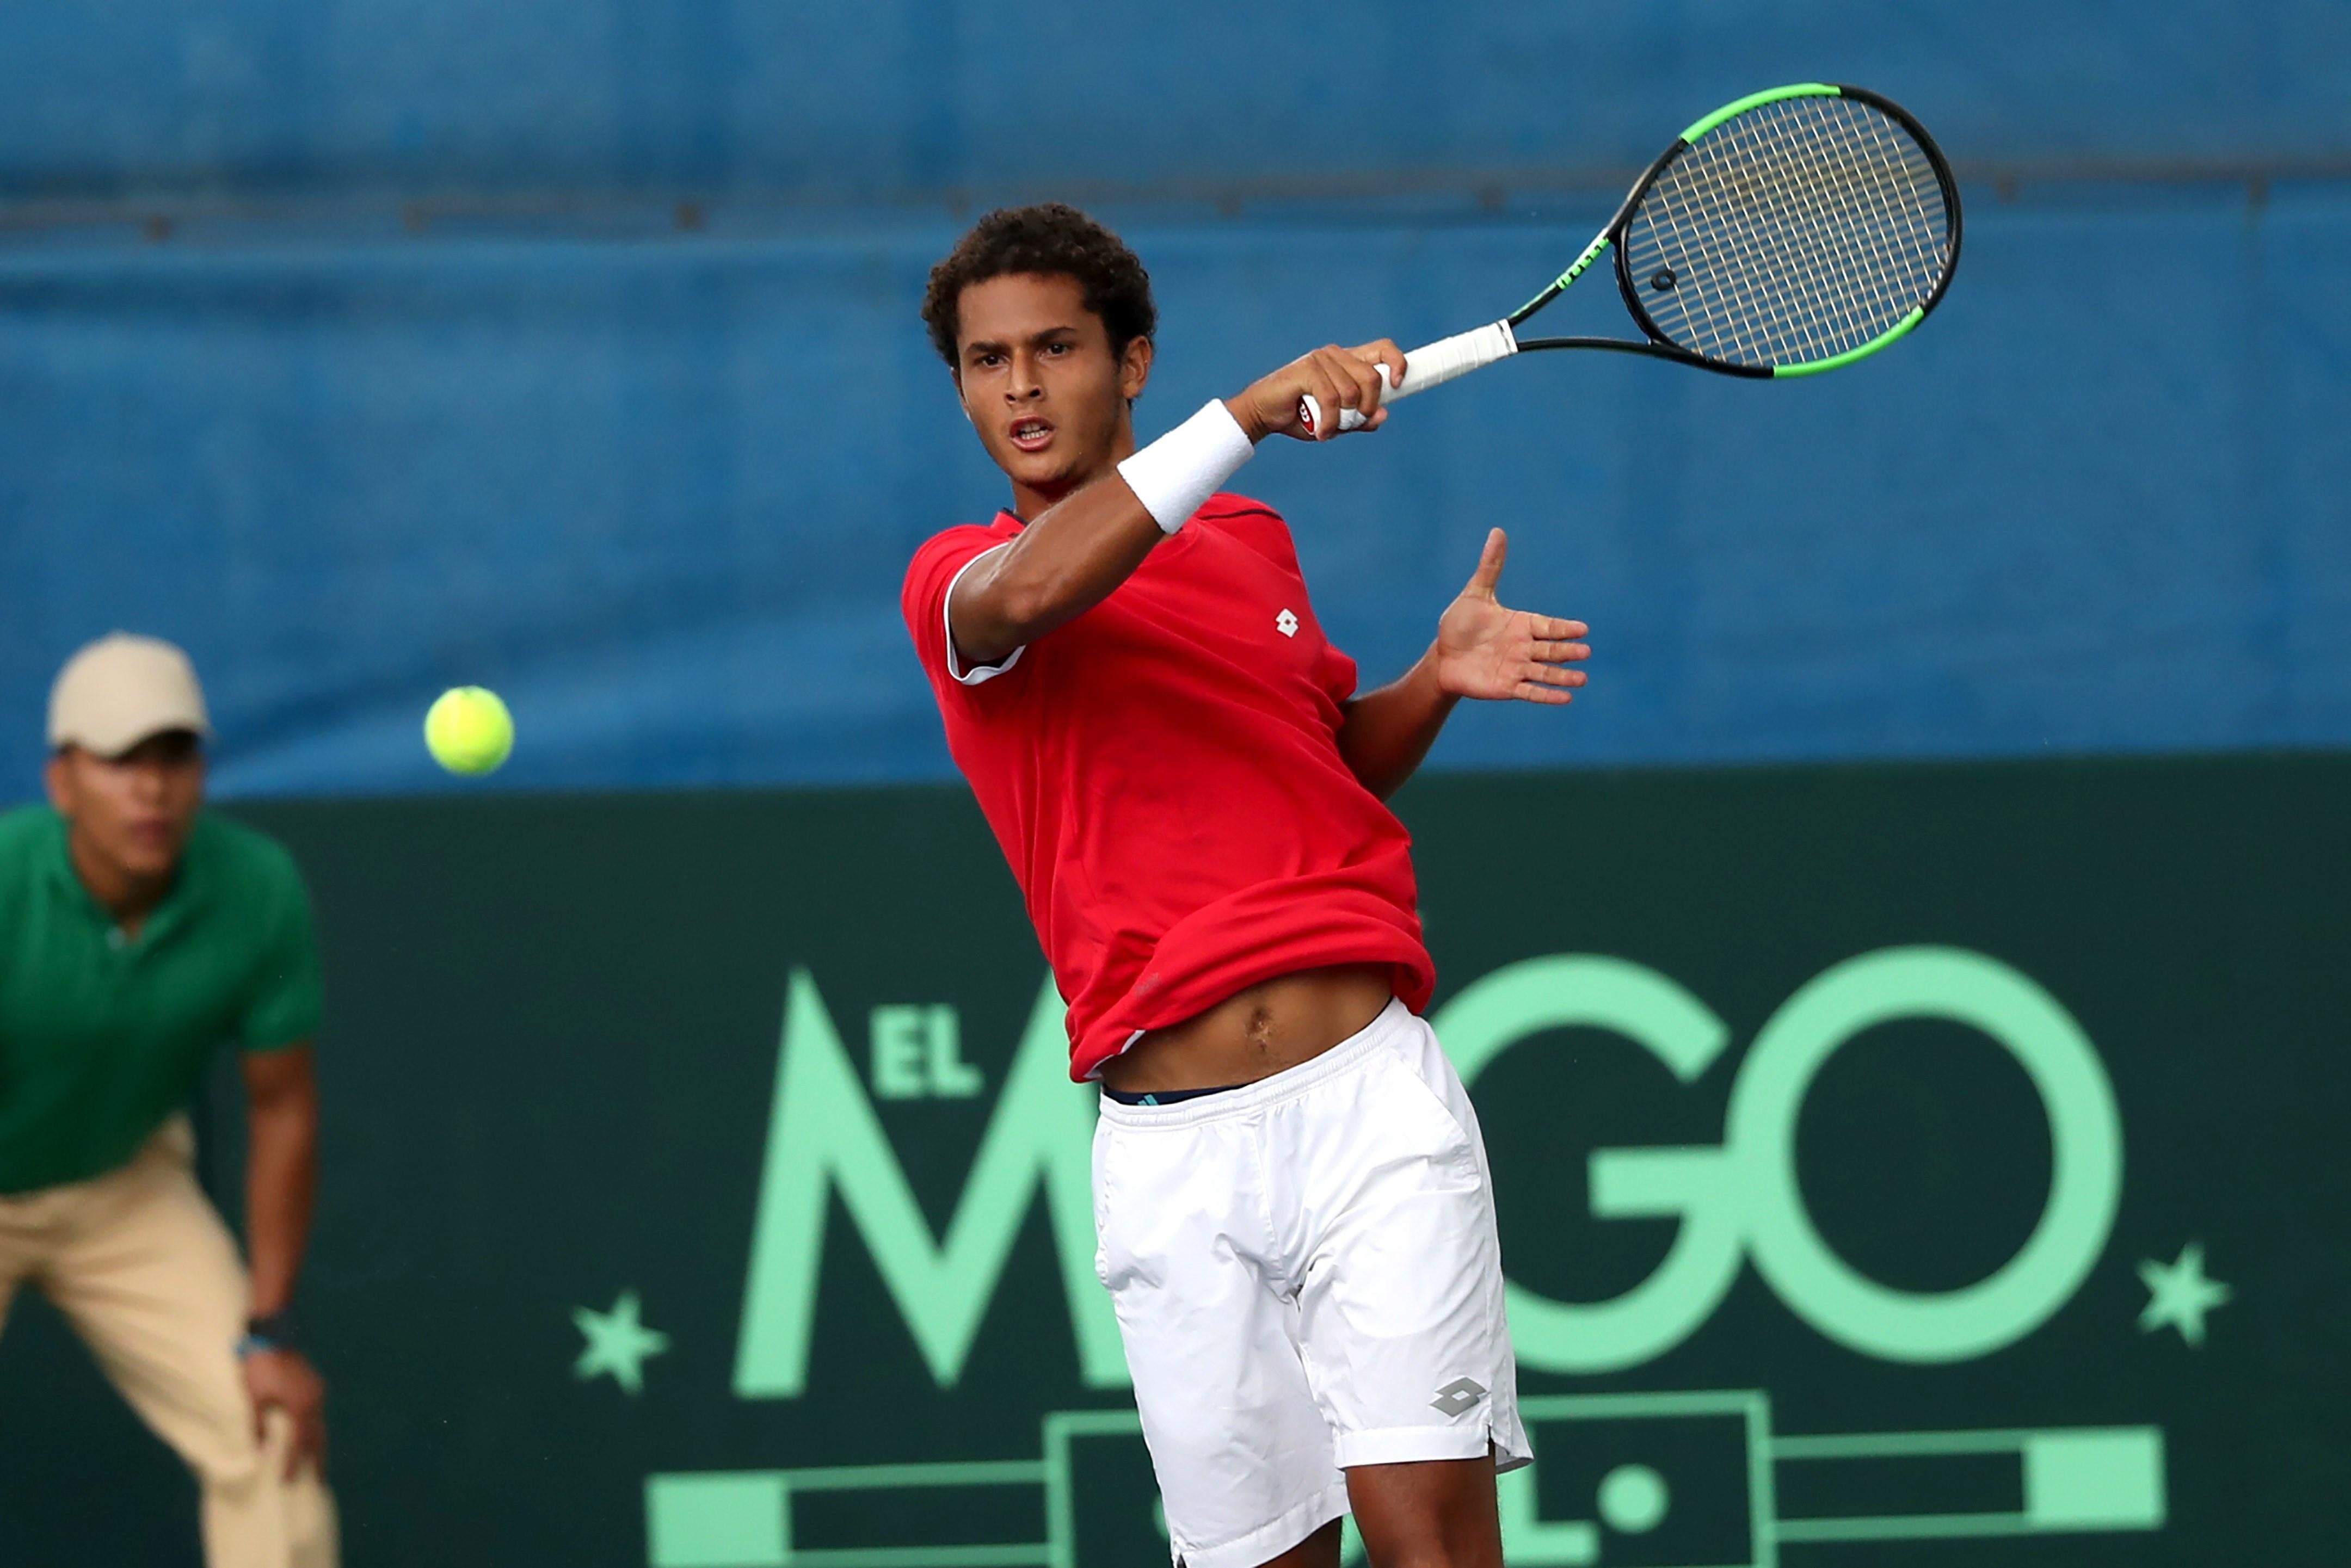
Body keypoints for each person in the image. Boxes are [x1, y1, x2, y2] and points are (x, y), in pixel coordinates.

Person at [901, 205, 1591, 1568]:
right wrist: (1250, 410)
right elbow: (1032, 594)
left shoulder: (1250, 543)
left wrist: (1431, 683)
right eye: (988, 362)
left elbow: (1318, 772)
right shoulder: (960, 583)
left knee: (1432, 1542)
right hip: (1173, 1155)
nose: (1023, 386)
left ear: (1132, 361)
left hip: (1370, 1113)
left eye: (1055, 347)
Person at [0, 633, 339, 1568]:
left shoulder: (256, 889)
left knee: (270, 1431)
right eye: (120, 762)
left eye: (174, 759)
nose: (150, 790)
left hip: (123, 1187)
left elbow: (282, 1110)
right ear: (63, 781)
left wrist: (268, 1329)